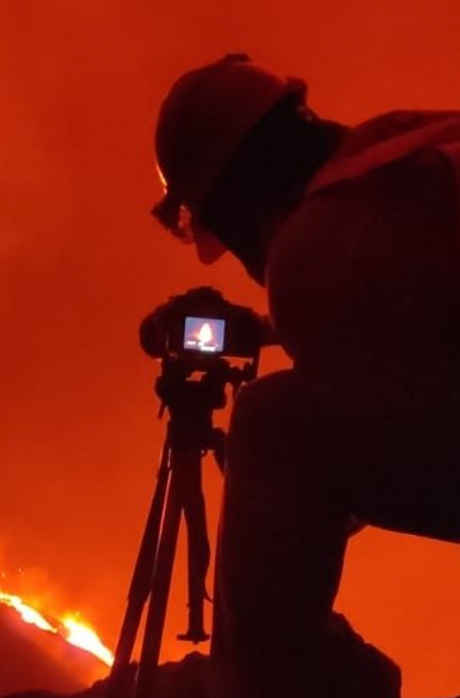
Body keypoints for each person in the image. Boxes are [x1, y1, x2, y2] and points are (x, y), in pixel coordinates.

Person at [152, 54, 460, 698]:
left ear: (237, 202)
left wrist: (262, 545)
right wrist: (264, 329)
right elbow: (411, 357)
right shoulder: (404, 167)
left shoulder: (318, 246)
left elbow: (368, 414)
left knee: (273, 427)